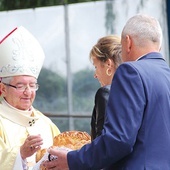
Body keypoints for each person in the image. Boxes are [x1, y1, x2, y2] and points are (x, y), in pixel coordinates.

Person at [41, 14, 170, 170]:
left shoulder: (130, 71)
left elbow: (118, 140)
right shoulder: (166, 74)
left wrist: (72, 159)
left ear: (128, 43)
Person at [0, 26, 60, 170]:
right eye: (20, 86)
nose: (28, 92)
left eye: (32, 85)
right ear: (3, 89)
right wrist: (20, 154)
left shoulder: (46, 123)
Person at [90, 35, 122, 140]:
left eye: (96, 66)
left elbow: (102, 144)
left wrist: (73, 155)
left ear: (108, 64)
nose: (95, 75)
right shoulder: (135, 91)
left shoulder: (106, 93)